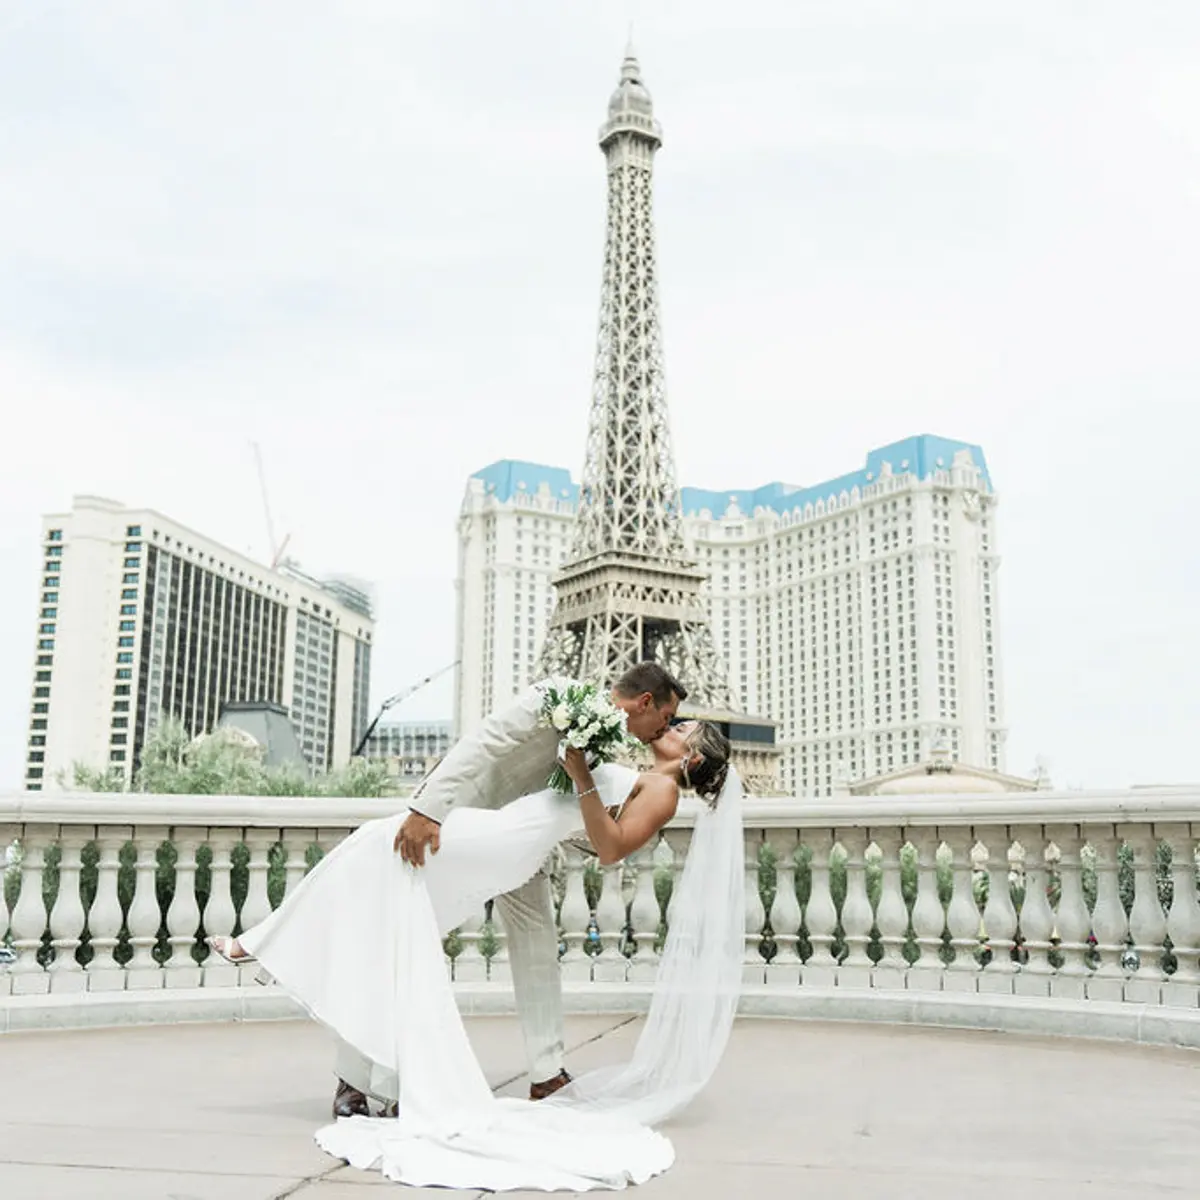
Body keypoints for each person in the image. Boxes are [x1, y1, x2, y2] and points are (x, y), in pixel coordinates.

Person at [209, 706, 738, 1190]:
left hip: (506, 842)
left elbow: (610, 848)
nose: (671, 726)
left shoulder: (663, 793)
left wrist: (581, 777)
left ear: (692, 756)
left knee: (379, 842)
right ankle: (356, 1047)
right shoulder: (636, 769)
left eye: (682, 729)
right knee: (385, 893)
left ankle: (259, 943)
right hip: (501, 829)